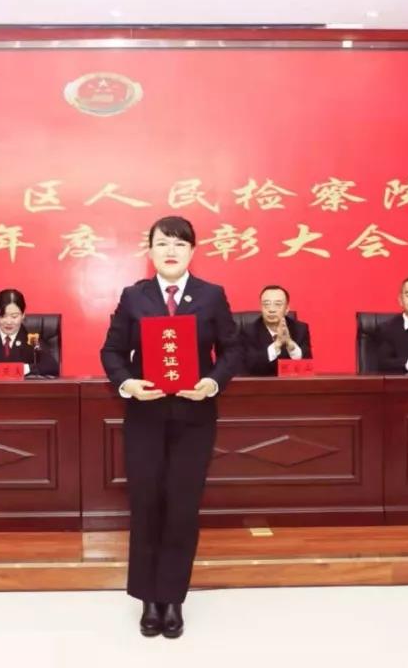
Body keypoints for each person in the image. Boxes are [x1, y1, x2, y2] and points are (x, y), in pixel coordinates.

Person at [100, 215, 241, 639]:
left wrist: (212, 382)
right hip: (145, 417)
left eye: (180, 244)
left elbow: (232, 350)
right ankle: (148, 599)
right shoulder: (134, 296)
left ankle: (173, 598)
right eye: (162, 243)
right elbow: (111, 351)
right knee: (146, 504)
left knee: (182, 507)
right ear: (150, 251)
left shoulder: (211, 296)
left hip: (194, 419)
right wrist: (127, 383)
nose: (171, 251)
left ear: (192, 251)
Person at [241, 284, 312, 375]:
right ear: (261, 308)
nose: (271, 310)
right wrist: (277, 344)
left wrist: (291, 345)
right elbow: (250, 367)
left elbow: (307, 367)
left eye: (278, 304)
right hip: (261, 382)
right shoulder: (248, 331)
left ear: (287, 309)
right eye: (266, 304)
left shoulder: (300, 329)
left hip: (290, 383)